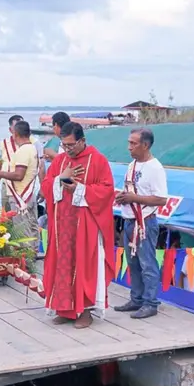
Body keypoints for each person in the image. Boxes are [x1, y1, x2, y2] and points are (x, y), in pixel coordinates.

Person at [42, 122, 117, 329]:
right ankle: (64, 309)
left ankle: (85, 312)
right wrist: (61, 179)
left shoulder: (98, 160)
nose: (68, 149)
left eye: (71, 145)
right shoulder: (60, 161)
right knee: (62, 265)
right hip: (62, 225)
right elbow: (46, 186)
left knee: (84, 265)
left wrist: (80, 189)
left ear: (82, 140)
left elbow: (107, 191)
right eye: (64, 145)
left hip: (85, 225)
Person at [114, 128, 168, 319]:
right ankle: (136, 298)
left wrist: (133, 197)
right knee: (133, 263)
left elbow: (162, 199)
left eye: (133, 143)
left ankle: (150, 302)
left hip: (145, 222)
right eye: (129, 143)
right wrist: (122, 197)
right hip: (129, 221)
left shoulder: (155, 168)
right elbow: (130, 191)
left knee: (147, 264)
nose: (129, 147)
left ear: (145, 145)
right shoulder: (132, 165)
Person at [0, 120, 40, 252]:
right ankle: (31, 257)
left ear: (15, 134)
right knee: (31, 227)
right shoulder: (32, 148)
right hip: (28, 194)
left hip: (20, 197)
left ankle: (26, 263)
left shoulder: (23, 151)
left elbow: (18, 175)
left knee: (22, 232)